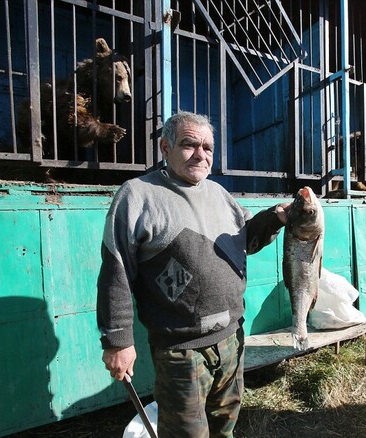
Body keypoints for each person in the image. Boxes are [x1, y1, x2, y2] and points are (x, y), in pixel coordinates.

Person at [96, 111, 291, 437]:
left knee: (223, 430)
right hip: (181, 351)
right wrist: (118, 341)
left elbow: (246, 241)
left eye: (208, 147)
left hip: (231, 340)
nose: (201, 154)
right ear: (165, 147)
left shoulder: (219, 194)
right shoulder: (138, 195)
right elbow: (116, 270)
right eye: (189, 145)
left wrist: (277, 218)